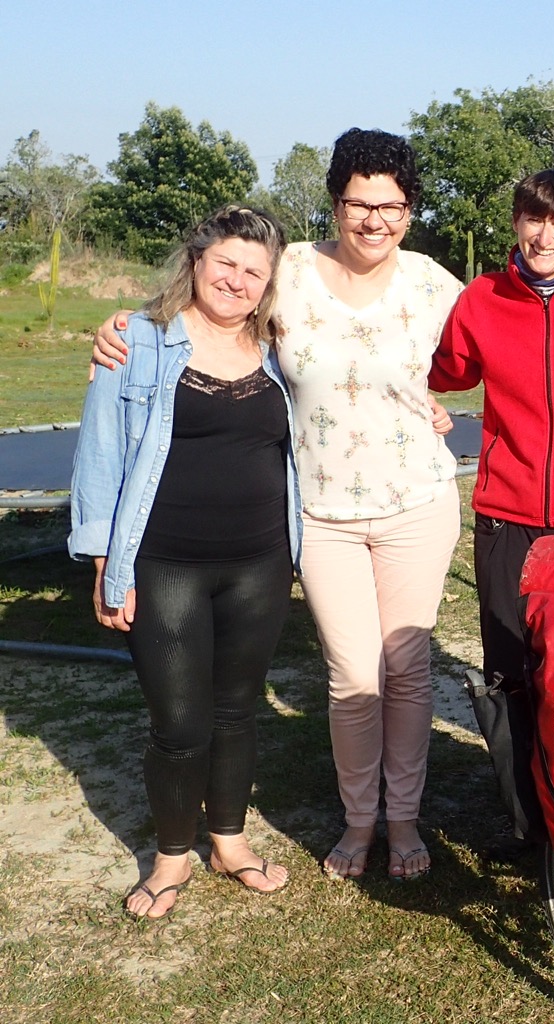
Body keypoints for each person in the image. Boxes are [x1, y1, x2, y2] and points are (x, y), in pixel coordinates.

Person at [95, 129, 463, 883]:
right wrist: (121, 327)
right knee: (352, 674)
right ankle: (359, 821)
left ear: (409, 211)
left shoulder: (435, 283)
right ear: (335, 202)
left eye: (391, 206)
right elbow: (207, 300)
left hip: (416, 503)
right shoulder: (288, 269)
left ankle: (403, 819)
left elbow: (517, 318)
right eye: (358, 203)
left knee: (407, 670)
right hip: (320, 513)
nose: (374, 220)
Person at [69, 205, 302, 918]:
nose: (237, 280)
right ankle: (172, 856)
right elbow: (100, 453)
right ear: (197, 260)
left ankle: (228, 841)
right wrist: (105, 564)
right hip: (166, 564)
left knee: (236, 711)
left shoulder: (281, 349)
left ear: (268, 284)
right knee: (178, 723)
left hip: (260, 564)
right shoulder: (137, 342)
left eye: (254, 271)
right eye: (226, 262)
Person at [428, 169, 554, 847]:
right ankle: (528, 824)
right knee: (511, 668)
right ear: (516, 223)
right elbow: (440, 371)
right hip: (507, 515)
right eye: (534, 219)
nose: (545, 235)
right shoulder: (481, 299)